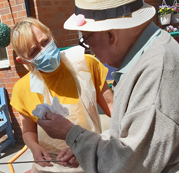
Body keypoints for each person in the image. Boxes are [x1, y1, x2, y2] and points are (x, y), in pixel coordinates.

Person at [37, 0, 179, 172]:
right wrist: (88, 146)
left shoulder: (156, 73)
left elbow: (123, 166)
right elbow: (132, 132)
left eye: (86, 39)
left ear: (111, 35)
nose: (89, 49)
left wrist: (72, 134)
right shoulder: (149, 51)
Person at [10, 17, 114, 172]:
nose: (44, 50)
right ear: (23, 60)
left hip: (91, 160)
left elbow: (115, 109)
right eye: (33, 51)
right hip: (49, 168)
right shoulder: (22, 89)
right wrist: (34, 147)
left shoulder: (86, 64)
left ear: (50, 35)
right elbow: (28, 131)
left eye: (45, 42)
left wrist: (88, 145)